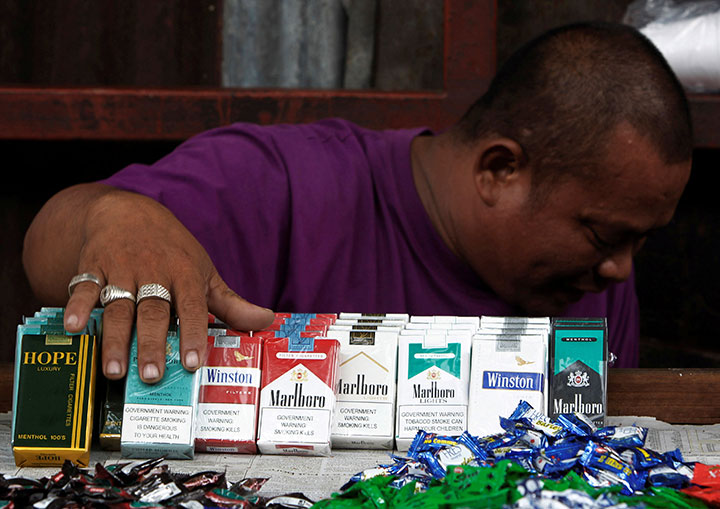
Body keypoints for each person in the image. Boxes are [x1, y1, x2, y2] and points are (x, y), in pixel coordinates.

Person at [22, 21, 692, 384]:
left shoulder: (592, 283)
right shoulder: (285, 185)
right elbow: (53, 242)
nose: (621, 272)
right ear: (499, 170)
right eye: (605, 238)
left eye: (640, 241)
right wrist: (116, 219)